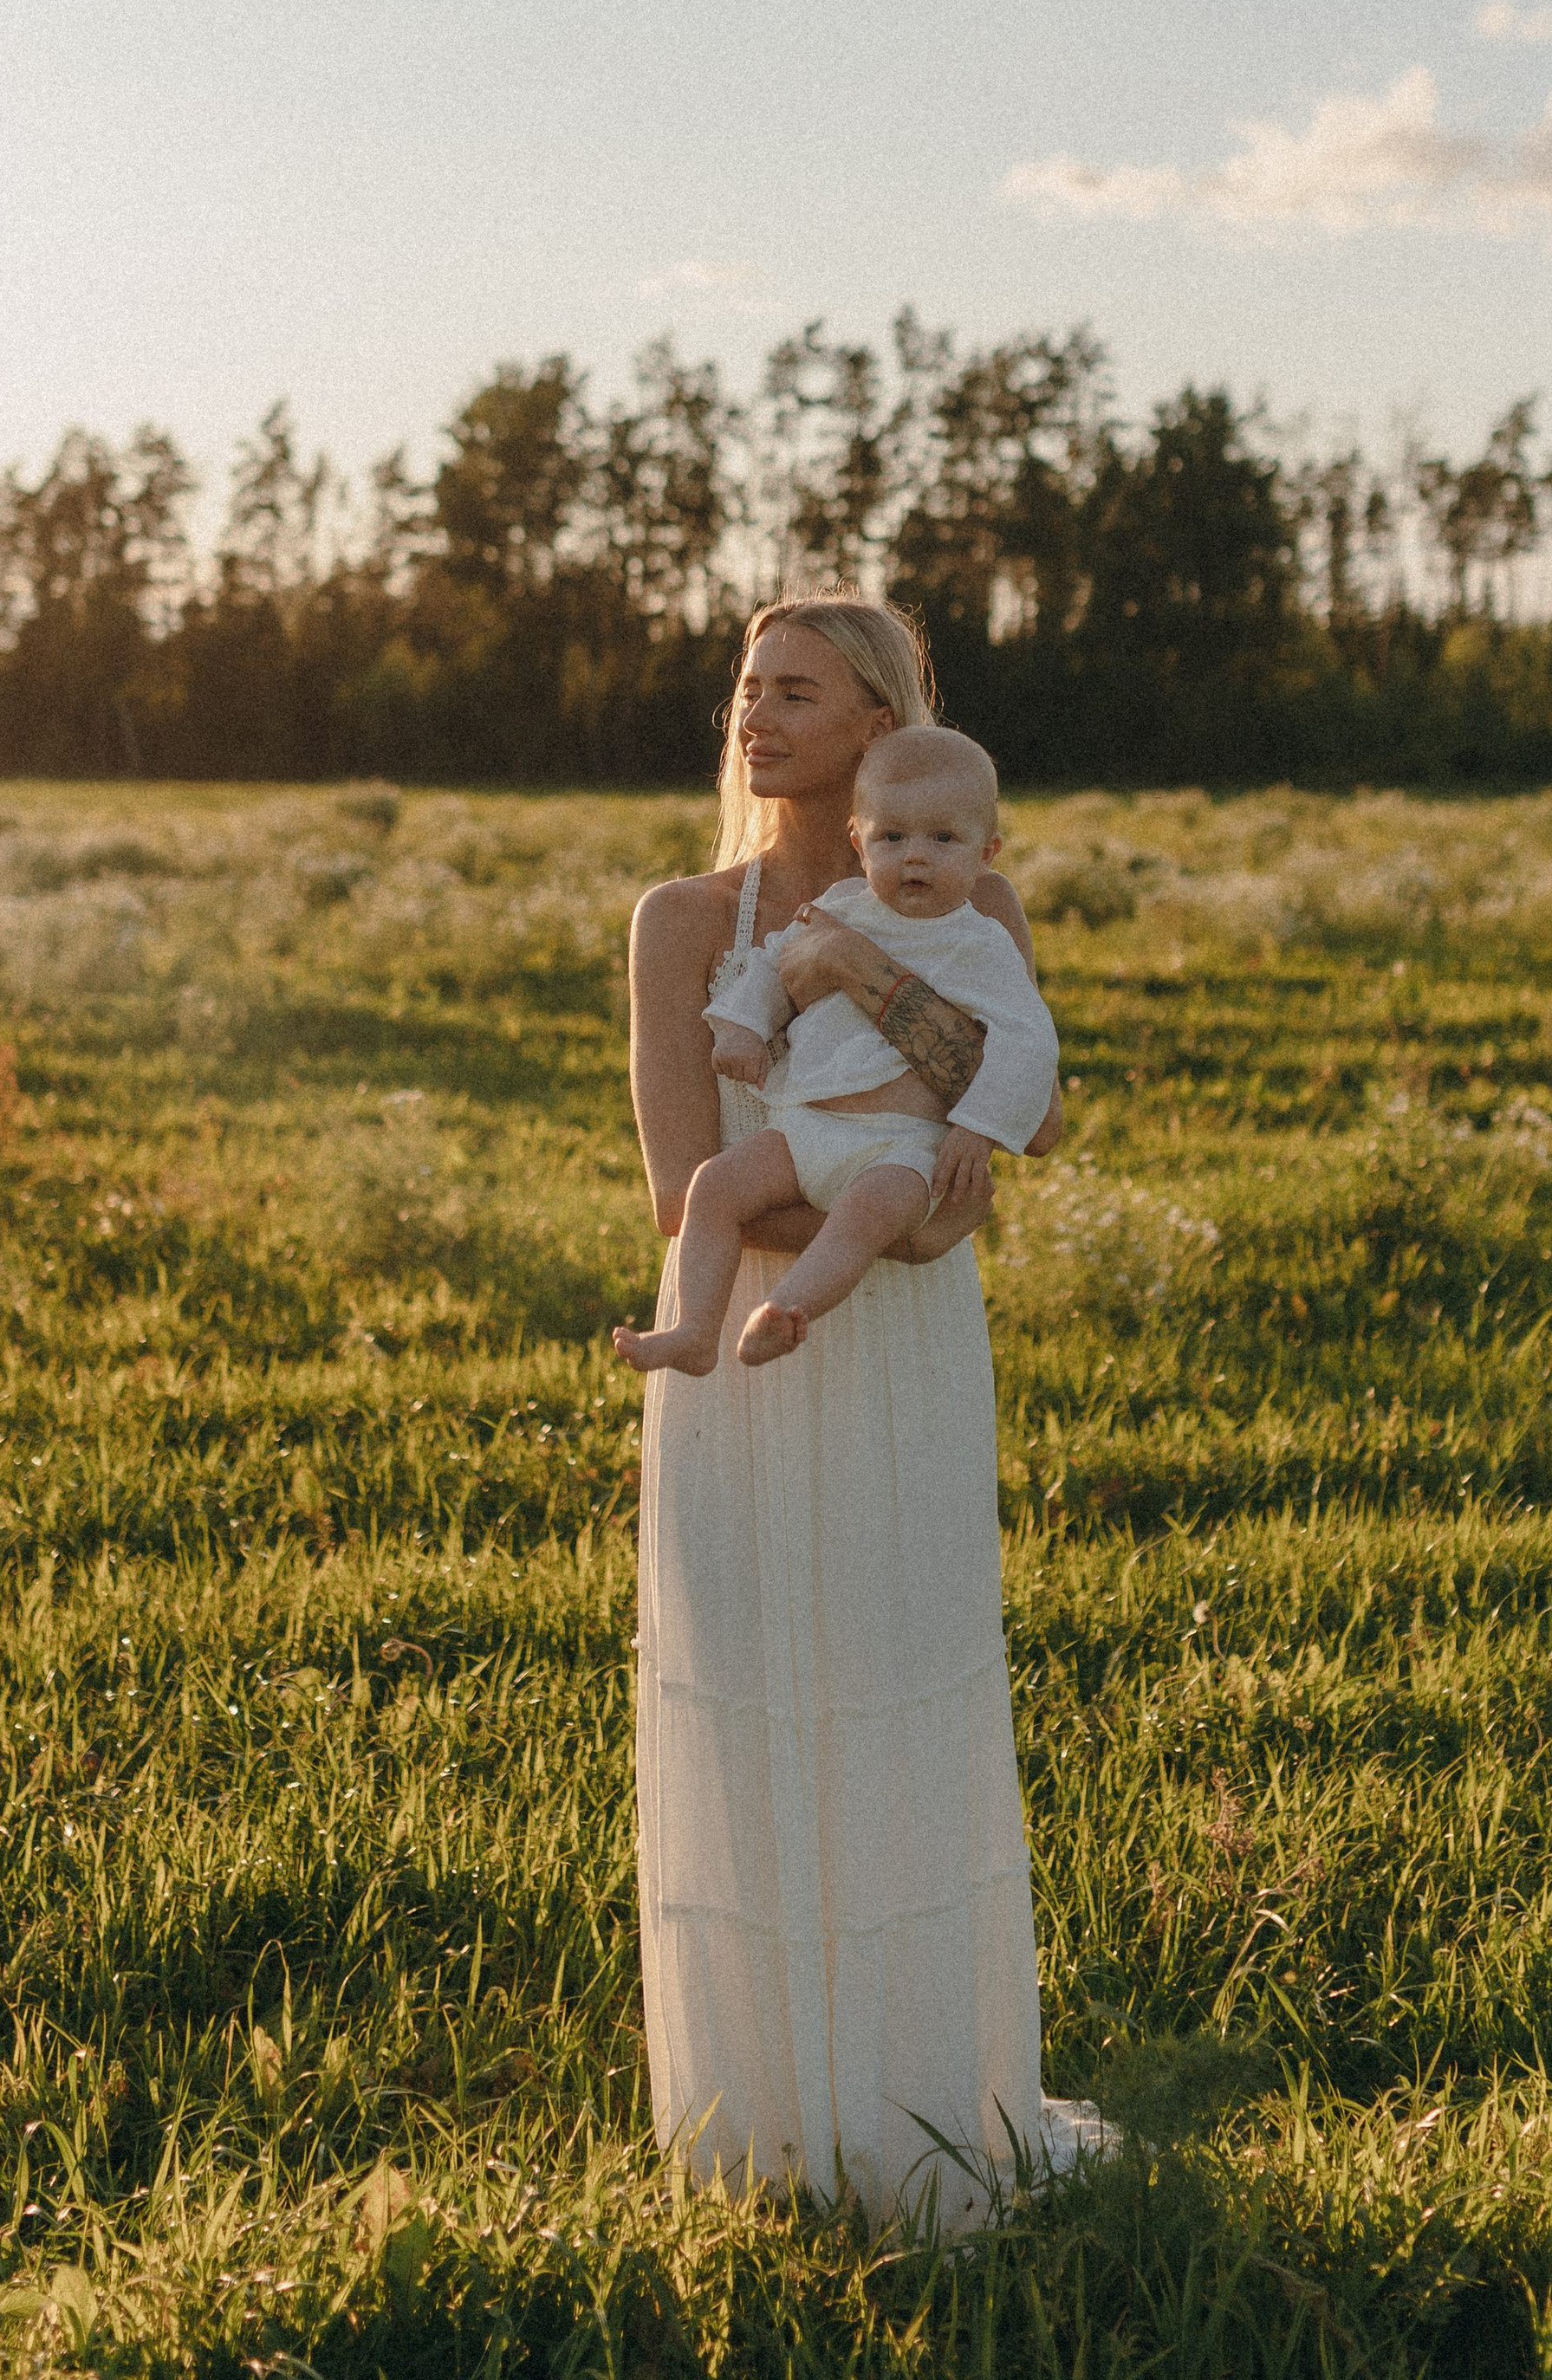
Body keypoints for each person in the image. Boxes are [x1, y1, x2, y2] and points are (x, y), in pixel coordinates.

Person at [627, 595, 1104, 2225]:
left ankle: (917, 2129)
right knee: (754, 1698)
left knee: (898, 1693)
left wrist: (854, 971)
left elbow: (1021, 1129)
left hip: (904, 1356)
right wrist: (881, 1211)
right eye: (745, 689)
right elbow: (684, 1188)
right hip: (745, 1354)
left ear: (880, 720)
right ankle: (763, 2131)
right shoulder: (685, 920)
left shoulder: (976, 900)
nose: (754, 717)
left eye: (796, 692)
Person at [613, 725, 1058, 1375]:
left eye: (942, 840)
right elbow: (774, 966)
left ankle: (784, 1310)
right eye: (892, 838)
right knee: (715, 1186)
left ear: (986, 851)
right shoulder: (842, 907)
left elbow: (1027, 1038)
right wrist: (742, 1027)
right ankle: (695, 1330)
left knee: (864, 1216)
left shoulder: (979, 941)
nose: (915, 858)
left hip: (903, 1146)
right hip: (807, 1127)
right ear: (860, 840)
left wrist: (976, 1127)